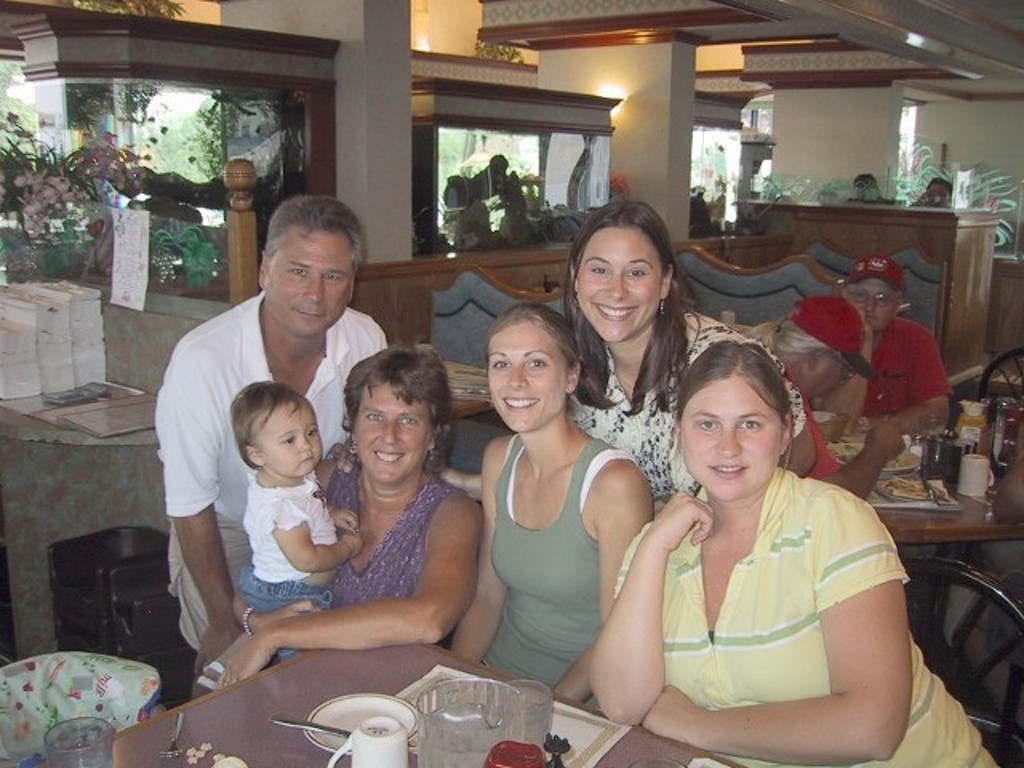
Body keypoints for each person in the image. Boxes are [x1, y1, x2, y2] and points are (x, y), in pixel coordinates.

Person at [591, 340, 995, 768]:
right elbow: (621, 703)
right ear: (679, 431)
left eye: (750, 424)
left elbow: (874, 727)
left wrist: (701, 726)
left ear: (785, 433)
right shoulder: (659, 544)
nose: (728, 447)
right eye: (707, 424)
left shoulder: (833, 521)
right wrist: (653, 549)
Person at [155, 195, 386, 669]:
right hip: (224, 525)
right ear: (265, 269)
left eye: (333, 276)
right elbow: (190, 504)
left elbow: (368, 444)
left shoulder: (366, 339)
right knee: (228, 665)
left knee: (320, 662)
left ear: (352, 283)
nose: (315, 294)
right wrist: (224, 617)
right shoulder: (203, 360)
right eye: (298, 271)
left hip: (319, 512)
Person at [211, 346, 482, 686]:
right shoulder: (317, 483)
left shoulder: (452, 513)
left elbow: (430, 619)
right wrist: (256, 622)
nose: (389, 435)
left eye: (408, 420)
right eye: (374, 416)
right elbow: (256, 584)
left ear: (433, 436)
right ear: (353, 427)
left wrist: (278, 634)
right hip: (299, 676)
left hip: (389, 691)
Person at [451, 304, 656, 702]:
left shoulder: (613, 485)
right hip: (497, 676)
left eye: (536, 364)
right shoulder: (499, 458)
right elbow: (488, 595)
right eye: (501, 364)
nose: (516, 381)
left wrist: (545, 711)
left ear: (571, 377)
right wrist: (455, 678)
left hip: (578, 699)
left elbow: (619, 633)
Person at [564, 199, 814, 503]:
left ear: (665, 282)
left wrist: (706, 512)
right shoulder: (566, 359)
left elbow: (801, 452)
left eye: (636, 273)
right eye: (599, 270)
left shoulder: (720, 358)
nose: (617, 291)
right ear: (576, 277)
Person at [229, 382, 363, 618]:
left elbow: (310, 505)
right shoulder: (282, 507)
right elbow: (307, 560)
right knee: (310, 642)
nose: (306, 446)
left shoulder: (294, 477)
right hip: (290, 596)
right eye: (289, 440)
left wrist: (330, 513)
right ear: (257, 455)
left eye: (311, 432)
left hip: (295, 585)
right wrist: (345, 549)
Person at [751, 295, 906, 498]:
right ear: (816, 359)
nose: (841, 382)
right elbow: (832, 500)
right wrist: (876, 452)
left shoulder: (776, 382)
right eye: (845, 372)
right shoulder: (777, 395)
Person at [823, 252, 951, 435]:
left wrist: (868, 425)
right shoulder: (823, 336)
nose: (869, 306)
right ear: (844, 297)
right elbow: (832, 421)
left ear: (898, 305)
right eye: (860, 296)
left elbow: (937, 413)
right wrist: (864, 344)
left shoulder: (916, 338)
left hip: (894, 444)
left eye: (882, 298)